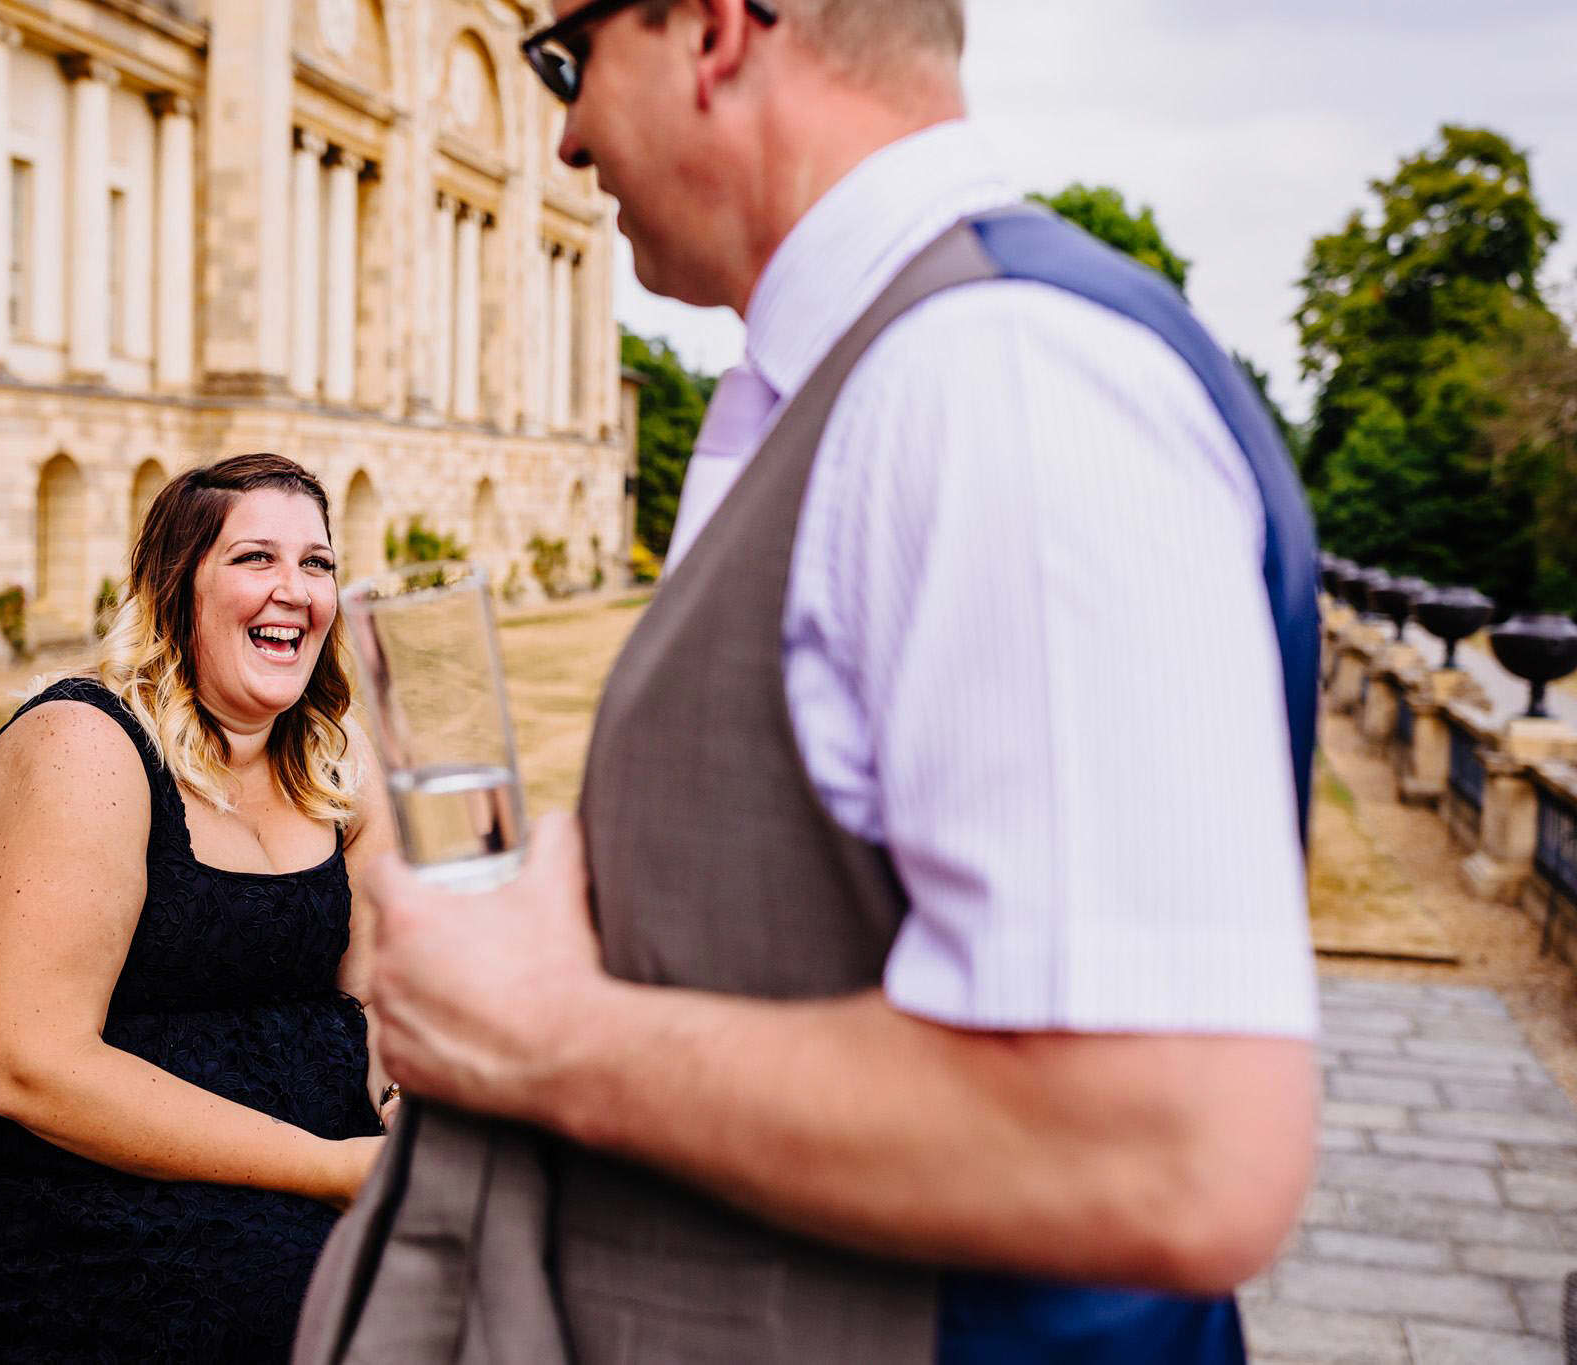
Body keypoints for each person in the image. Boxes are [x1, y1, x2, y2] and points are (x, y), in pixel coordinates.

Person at [299, 1, 1320, 1360]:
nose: (564, 136)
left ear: (713, 33)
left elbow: (1166, 1147)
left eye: (568, 60)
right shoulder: (866, 372)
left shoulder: (990, 379)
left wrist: (542, 1035)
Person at [0, 455, 395, 1362]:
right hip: (38, 1183)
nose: (295, 590)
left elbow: (381, 999)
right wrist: (337, 1169)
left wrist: (401, 1112)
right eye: (256, 557)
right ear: (175, 584)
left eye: (318, 563)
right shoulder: (88, 745)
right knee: (350, 1308)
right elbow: (30, 1065)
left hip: (295, 1149)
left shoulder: (335, 762)